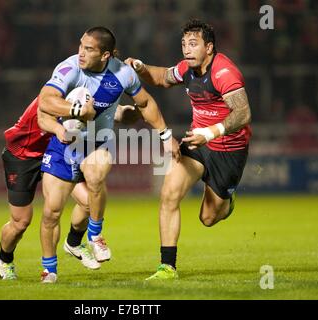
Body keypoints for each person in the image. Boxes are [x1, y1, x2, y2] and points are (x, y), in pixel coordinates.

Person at [37, 26, 180, 283]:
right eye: (81, 45)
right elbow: (45, 100)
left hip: (99, 142)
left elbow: (145, 103)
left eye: (89, 49)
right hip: (65, 143)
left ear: (105, 56)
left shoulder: (123, 73)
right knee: (51, 212)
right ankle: (50, 269)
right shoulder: (69, 68)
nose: (81, 52)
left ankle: (94, 234)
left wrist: (165, 136)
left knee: (95, 175)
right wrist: (77, 109)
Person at [125, 18, 252, 280]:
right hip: (196, 142)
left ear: (209, 47)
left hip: (228, 149)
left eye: (193, 44)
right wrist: (140, 67)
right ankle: (167, 267)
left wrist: (211, 132)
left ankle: (226, 204)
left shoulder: (224, 72)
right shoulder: (186, 69)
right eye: (183, 43)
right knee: (169, 193)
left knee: (208, 218)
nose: (186, 49)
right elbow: (160, 78)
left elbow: (243, 113)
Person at [0, 93, 137, 280]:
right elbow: (55, 114)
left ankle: (73, 242)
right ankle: (4, 259)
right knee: (21, 222)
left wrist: (132, 112)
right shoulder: (55, 92)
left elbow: (110, 112)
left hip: (58, 151)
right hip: (23, 155)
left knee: (89, 202)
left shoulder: (84, 86)